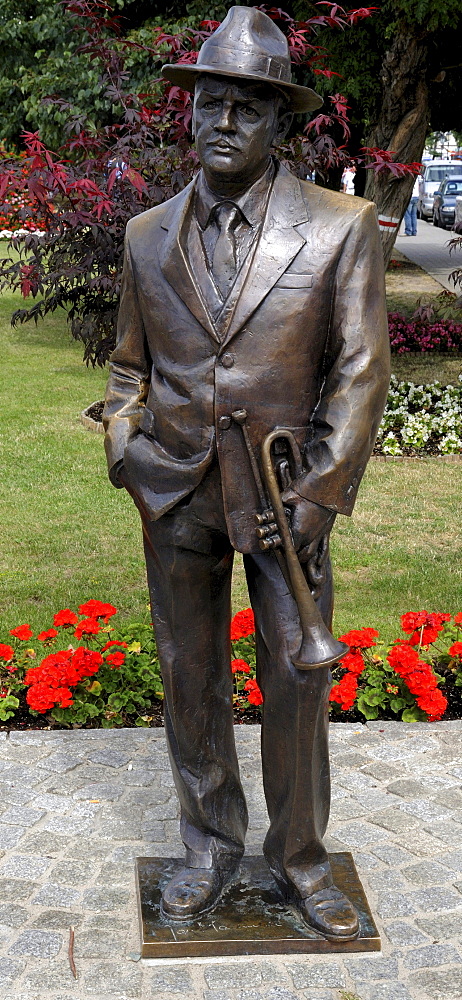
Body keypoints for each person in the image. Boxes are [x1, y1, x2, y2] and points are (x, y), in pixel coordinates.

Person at [103, 6, 390, 940]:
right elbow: (126, 368)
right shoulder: (148, 233)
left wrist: (317, 496)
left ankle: (300, 859)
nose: (221, 123)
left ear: (280, 122)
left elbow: (360, 370)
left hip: (283, 498)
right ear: (189, 114)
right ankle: (207, 849)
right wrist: (123, 442)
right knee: (191, 674)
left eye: (246, 109)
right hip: (174, 487)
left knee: (296, 680)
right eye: (208, 105)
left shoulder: (340, 226)